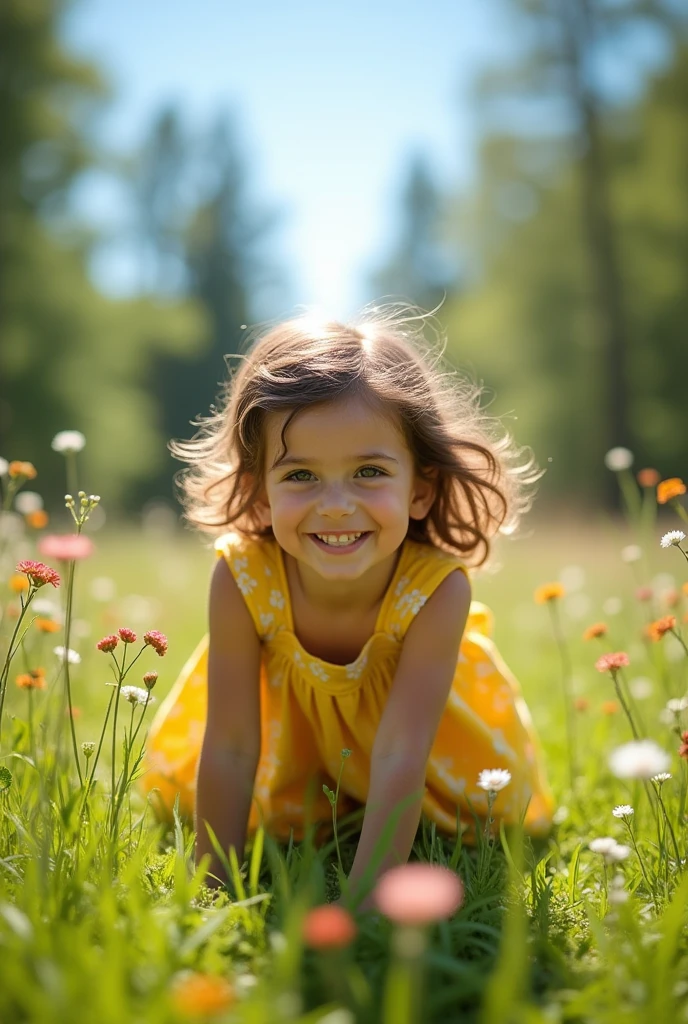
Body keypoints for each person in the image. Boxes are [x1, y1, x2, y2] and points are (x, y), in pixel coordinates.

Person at [136, 305, 555, 904]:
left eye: (367, 471)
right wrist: (211, 889)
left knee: (470, 826)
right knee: (266, 813)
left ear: (420, 489)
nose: (335, 504)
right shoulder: (241, 577)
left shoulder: (437, 589)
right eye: (301, 476)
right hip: (296, 757)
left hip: (428, 764)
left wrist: (364, 903)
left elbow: (400, 750)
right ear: (259, 492)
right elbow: (229, 744)